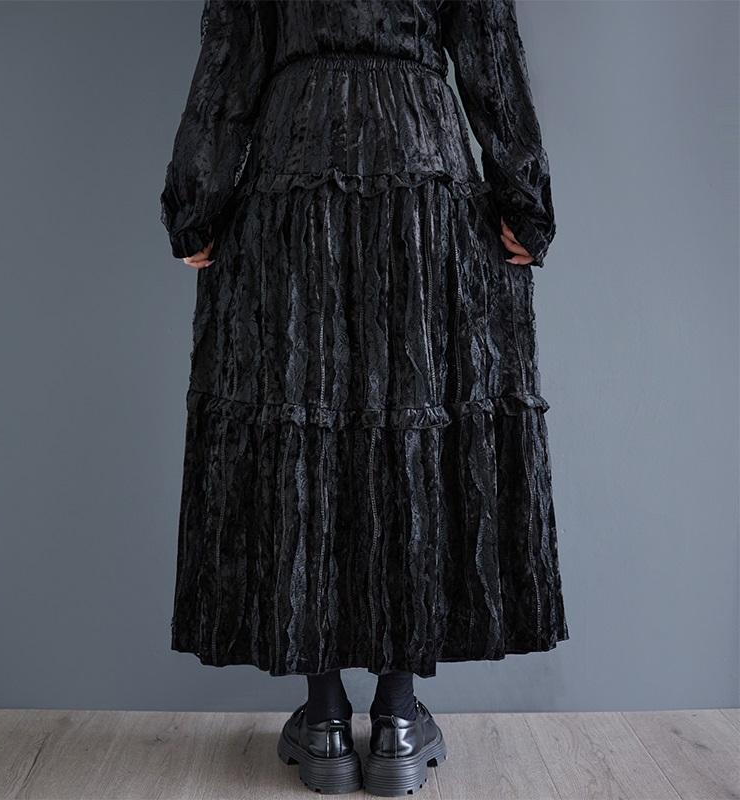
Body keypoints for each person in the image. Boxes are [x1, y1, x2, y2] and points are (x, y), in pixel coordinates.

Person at [160, 1, 569, 795]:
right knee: (409, 425)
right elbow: (488, 46)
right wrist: (524, 200)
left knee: (304, 422)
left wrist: (196, 204)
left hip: (297, 161)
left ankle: (322, 719)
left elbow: (231, 57)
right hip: (421, 161)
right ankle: (398, 717)